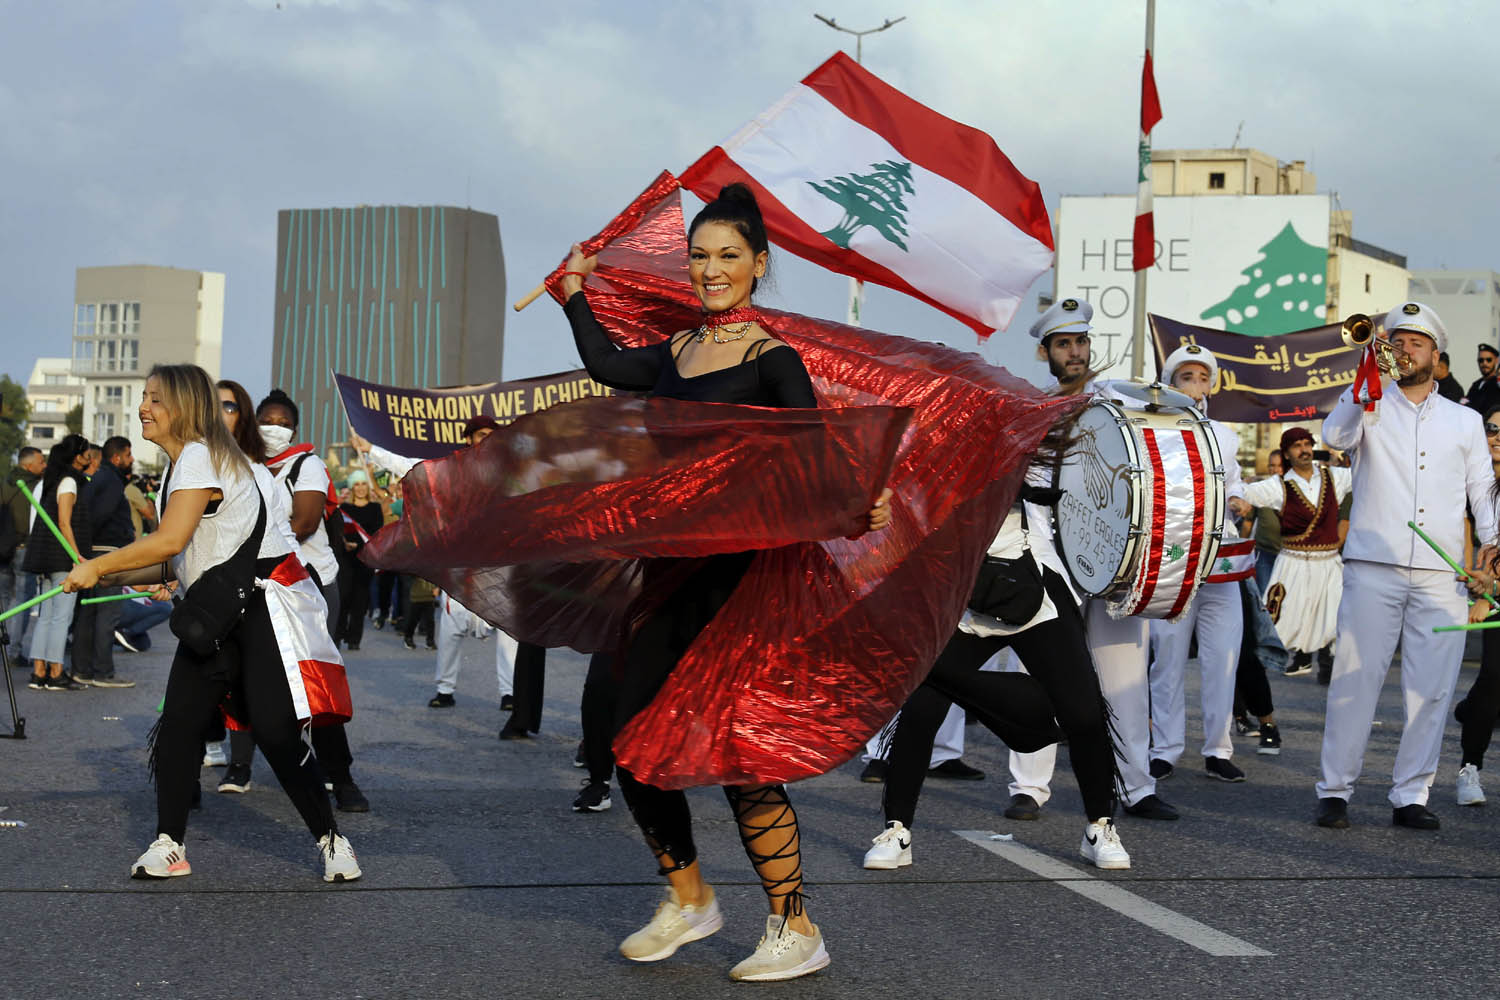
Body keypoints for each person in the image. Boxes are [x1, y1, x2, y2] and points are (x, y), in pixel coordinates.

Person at [556, 183, 892, 982]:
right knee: (631, 743)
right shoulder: (676, 352)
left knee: (741, 754)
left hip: (743, 583)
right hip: (669, 576)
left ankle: (795, 926)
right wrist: (574, 291)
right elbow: (604, 361)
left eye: (728, 257)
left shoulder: (772, 359)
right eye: (700, 256)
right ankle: (691, 898)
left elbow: (816, 454)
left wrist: (856, 501)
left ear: (759, 265)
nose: (711, 270)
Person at [60, 364, 360, 881]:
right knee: (178, 725)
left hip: (259, 610)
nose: (143, 408)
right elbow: (179, 556)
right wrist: (106, 577)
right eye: (144, 397)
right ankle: (169, 844)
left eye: (156, 398)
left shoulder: (201, 456)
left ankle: (331, 838)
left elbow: (171, 541)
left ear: (184, 407)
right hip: (213, 612)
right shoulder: (185, 466)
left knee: (277, 735)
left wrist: (99, 564)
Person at [861, 462, 1129, 874]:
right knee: (921, 709)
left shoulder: (1018, 433)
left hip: (1029, 581)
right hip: (958, 589)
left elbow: (1055, 479)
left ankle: (1100, 826)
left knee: (1083, 711)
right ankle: (897, 830)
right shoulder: (926, 447)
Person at [1314, 302, 1496, 831]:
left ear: (1436, 356)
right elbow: (1334, 437)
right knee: (1355, 679)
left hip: (1442, 573)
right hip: (1374, 564)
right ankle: (1335, 790)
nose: (1405, 348)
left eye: (1417, 342)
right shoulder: (1369, 403)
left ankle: (1411, 794)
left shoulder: (1465, 420)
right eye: (1398, 340)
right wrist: (1361, 385)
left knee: (1432, 688)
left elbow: (1482, 493)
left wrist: (1494, 545)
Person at [1002, 299, 1180, 823]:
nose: (1075, 352)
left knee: (1125, 676)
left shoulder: (1116, 401)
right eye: (1063, 345)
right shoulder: (1031, 409)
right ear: (1045, 352)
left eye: (1080, 342)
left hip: (1114, 559)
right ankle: (1029, 787)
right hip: (1050, 559)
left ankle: (1136, 786)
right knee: (1041, 674)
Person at [351, 417, 527, 721]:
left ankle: (509, 693)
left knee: (509, 632)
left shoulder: (509, 473)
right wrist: (371, 450)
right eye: (481, 434)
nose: (487, 440)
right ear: (469, 438)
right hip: (460, 564)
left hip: (499, 563)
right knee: (450, 628)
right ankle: (445, 690)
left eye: (492, 436)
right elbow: (412, 466)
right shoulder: (452, 470)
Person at [254, 389, 369, 813]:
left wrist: (248, 536)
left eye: (283, 423)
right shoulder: (242, 466)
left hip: (308, 585)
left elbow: (301, 523)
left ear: (295, 429)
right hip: (259, 582)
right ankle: (236, 766)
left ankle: (341, 777)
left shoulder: (309, 465)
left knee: (313, 680)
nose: (274, 429)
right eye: (267, 420)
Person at [1146, 345, 1251, 783]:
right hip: (1175, 558)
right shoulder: (1153, 430)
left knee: (1223, 657)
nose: (1194, 385)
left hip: (1222, 560)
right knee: (1167, 658)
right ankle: (1165, 749)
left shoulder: (1225, 436)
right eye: (1185, 377)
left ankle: (1218, 748)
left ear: (1211, 384)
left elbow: (1234, 479)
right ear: (1171, 383)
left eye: (1201, 377)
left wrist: (1240, 498)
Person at [1231, 428, 1352, 685]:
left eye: (1307, 443)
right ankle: (1251, 678)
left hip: (1329, 564)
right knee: (1275, 624)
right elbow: (1243, 493)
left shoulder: (1336, 478)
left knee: (1338, 623)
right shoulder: (1278, 486)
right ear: (1287, 453)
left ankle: (1333, 671)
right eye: (1297, 445)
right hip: (1293, 565)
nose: (1304, 449)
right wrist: (1236, 499)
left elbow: (1368, 474)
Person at [1447, 404, 1500, 806]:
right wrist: (1482, 593)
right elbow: (1466, 540)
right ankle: (1470, 770)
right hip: (1492, 591)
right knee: (1493, 679)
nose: (1495, 436)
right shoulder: (1471, 483)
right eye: (1491, 429)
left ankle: (1468, 710)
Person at [23, 434, 93, 691]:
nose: (90, 458)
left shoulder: (52, 481)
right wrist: (77, 558)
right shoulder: (69, 482)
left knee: (46, 616)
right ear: (77, 456)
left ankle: (38, 671)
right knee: (60, 617)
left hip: (44, 556)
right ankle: (55, 671)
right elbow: (64, 522)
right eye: (87, 453)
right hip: (62, 557)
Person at [70, 436, 138, 687]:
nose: (132, 460)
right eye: (129, 455)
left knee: (89, 612)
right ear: (117, 457)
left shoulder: (101, 478)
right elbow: (100, 515)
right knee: (106, 614)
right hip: (106, 553)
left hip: (95, 553)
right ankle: (103, 672)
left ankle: (82, 670)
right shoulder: (111, 480)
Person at [4, 447, 46, 663]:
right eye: (41, 462)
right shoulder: (37, 487)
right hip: (23, 549)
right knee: (22, 601)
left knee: (2, 600)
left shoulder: (5, 483)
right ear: (28, 465)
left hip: (3, 550)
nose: (44, 466)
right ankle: (13, 652)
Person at [335, 470, 384, 651]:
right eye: (357, 484)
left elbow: (377, 534)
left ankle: (355, 638)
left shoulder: (375, 508)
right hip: (347, 559)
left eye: (364, 483)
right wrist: (344, 543)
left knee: (360, 601)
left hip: (365, 560)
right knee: (343, 597)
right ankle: (338, 634)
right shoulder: (345, 509)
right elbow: (339, 531)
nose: (361, 488)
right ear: (352, 487)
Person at [1252, 450, 1284, 594]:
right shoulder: (1260, 490)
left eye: (1279, 465)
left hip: (1288, 556)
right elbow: (1248, 523)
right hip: (1264, 554)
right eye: (1272, 465)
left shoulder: (1295, 490)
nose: (1275, 469)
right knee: (1264, 598)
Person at [1465, 343, 1500, 415]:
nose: (1485, 363)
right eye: (1481, 360)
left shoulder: (1497, 384)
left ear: (1496, 360)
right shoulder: (1476, 384)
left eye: (1489, 360)